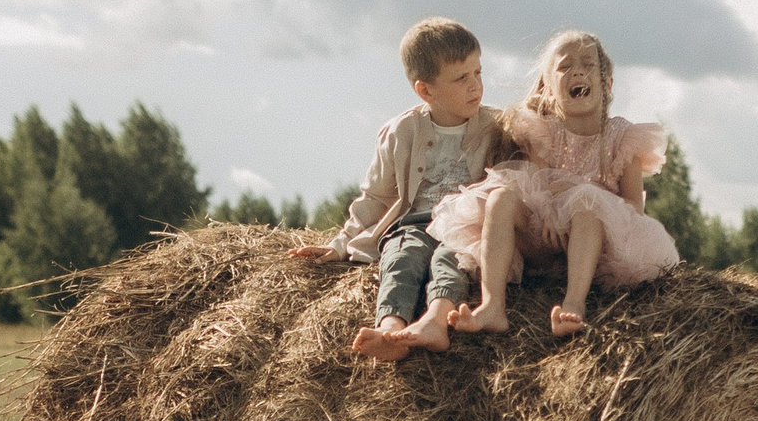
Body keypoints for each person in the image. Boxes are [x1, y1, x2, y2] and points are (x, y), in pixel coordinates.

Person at [436, 29, 677, 338]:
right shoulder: (543, 130)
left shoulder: (622, 138)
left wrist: (587, 197)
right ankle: (493, 305)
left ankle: (573, 305)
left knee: (588, 206)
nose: (577, 70)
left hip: (595, 250)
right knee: (501, 197)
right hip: (542, 242)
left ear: (607, 84)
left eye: (588, 64)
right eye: (564, 66)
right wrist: (552, 211)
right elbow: (534, 184)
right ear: (548, 88)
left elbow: (634, 208)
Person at [290, 18, 499, 361]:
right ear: (426, 90)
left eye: (478, 73)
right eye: (461, 79)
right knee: (400, 257)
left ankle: (436, 321)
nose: (475, 85)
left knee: (452, 260)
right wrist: (341, 243)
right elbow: (375, 196)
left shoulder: (495, 127)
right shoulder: (401, 132)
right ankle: (390, 329)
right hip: (414, 222)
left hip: (464, 225)